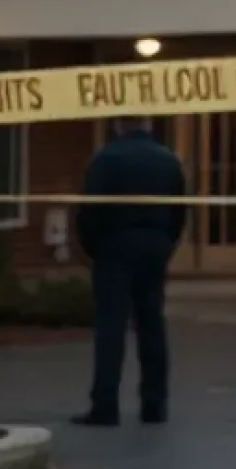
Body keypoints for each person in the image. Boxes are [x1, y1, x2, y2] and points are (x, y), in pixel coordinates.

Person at [72, 115, 188, 426]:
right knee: (152, 324)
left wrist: (93, 248)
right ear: (149, 124)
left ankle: (105, 405)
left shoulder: (105, 159)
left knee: (111, 326)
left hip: (114, 246)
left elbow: (89, 210)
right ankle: (155, 404)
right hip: (154, 244)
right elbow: (180, 210)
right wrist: (166, 244)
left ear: (118, 125)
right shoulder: (168, 160)